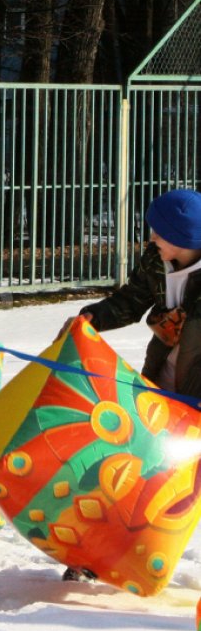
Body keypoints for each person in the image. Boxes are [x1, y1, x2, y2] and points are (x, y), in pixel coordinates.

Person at [58, 188, 201, 582]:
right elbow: (130, 301)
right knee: (130, 472)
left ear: (186, 238)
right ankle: (94, 557)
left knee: (184, 489)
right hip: (159, 389)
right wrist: (91, 317)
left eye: (160, 232)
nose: (152, 237)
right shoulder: (156, 260)